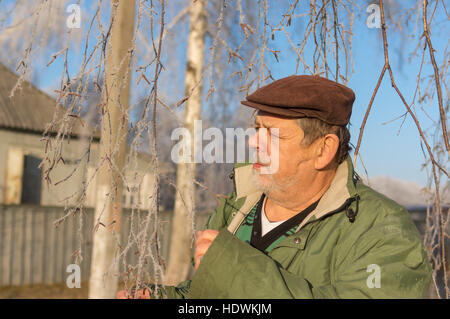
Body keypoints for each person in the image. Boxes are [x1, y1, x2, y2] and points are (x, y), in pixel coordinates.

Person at [118, 75, 432, 299]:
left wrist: (234, 266)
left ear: (322, 150)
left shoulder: (381, 228)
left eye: (272, 134)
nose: (253, 142)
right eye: (256, 130)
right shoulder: (239, 206)